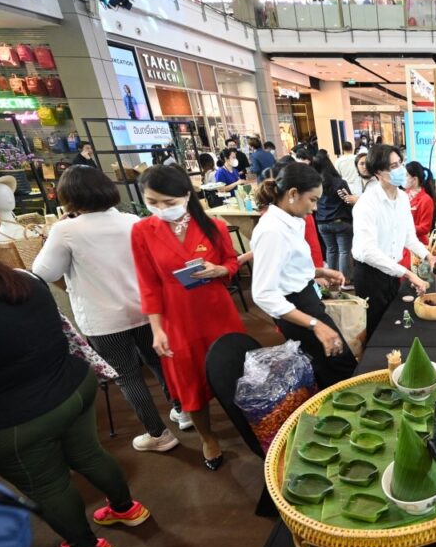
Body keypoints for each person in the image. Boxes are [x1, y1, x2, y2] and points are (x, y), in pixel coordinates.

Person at [0, 222, 151, 547]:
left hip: (16, 421)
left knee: (49, 485)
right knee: (90, 454)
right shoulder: (21, 279)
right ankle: (126, 508)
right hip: (74, 387)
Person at [32, 166, 182, 453]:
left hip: (103, 319)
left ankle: (159, 434)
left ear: (68, 197)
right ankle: (182, 411)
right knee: (160, 363)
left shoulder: (66, 230)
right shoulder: (131, 220)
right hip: (145, 309)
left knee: (127, 375)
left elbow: (43, 272)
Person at [131, 164, 247, 470]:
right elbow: (148, 283)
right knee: (189, 380)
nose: (160, 208)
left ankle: (250, 424)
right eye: (152, 202)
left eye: (168, 202)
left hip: (217, 310)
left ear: (185, 195)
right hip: (176, 316)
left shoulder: (213, 226)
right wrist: (157, 329)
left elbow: (231, 262)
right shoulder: (142, 231)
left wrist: (220, 270)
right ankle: (207, 437)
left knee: (233, 371)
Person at [251, 163, 357, 388]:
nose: (315, 208)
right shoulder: (272, 231)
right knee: (337, 366)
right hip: (296, 308)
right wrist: (315, 324)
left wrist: (319, 271)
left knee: (335, 364)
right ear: (292, 194)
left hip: (306, 298)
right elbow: (263, 294)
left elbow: (288, 268)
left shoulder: (291, 220)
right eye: (312, 200)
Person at [351, 144, 436, 337]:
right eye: (393, 166)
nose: (400, 170)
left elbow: (409, 236)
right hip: (370, 274)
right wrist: (408, 274)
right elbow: (368, 252)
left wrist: (429, 256)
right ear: (378, 172)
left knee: (394, 320)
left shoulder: (401, 197)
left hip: (393, 271)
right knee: (377, 328)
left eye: (400, 163)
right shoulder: (366, 203)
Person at [313, 152, 355, 279]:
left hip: (322, 222)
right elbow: (348, 200)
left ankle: (331, 278)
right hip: (340, 221)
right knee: (344, 251)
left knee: (330, 250)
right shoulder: (339, 183)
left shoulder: (314, 184)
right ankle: (344, 279)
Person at [404, 160, 436, 247]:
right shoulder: (403, 195)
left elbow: (425, 228)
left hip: (417, 244)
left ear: (414, 179)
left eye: (406, 175)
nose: (403, 178)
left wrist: (404, 229)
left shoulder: (426, 200)